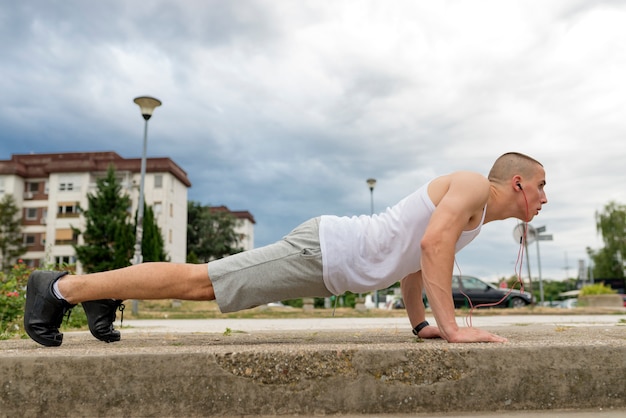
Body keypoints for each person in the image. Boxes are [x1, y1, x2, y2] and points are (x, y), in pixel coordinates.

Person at [24, 152, 547, 347]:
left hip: (331, 266)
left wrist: (420, 326)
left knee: (205, 283)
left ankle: (94, 295)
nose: (545, 199)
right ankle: (60, 288)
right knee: (202, 281)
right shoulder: (474, 185)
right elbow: (432, 246)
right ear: (518, 182)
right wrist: (453, 328)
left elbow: (416, 263)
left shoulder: (474, 216)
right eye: (542, 187)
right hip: (323, 251)